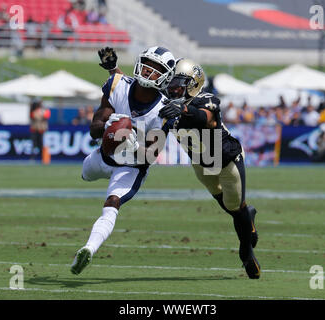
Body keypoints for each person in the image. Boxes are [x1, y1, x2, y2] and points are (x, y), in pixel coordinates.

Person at [100, 48, 261, 279]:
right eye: (171, 83)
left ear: (193, 84)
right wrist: (113, 69)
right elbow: (132, 85)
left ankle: (246, 251)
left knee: (236, 208)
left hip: (226, 161)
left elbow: (203, 117)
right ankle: (247, 219)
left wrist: (184, 108)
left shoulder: (206, 99)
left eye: (179, 84)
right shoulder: (166, 100)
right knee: (225, 204)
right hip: (199, 162)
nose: (173, 88)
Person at [70, 46, 176, 275]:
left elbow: (152, 154)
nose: (148, 71)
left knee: (112, 204)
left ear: (166, 76)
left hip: (130, 167)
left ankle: (88, 248)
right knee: (85, 174)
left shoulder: (163, 110)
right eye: (147, 64)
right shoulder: (118, 85)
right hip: (104, 156)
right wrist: (107, 126)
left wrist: (134, 145)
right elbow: (93, 129)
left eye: (156, 69)